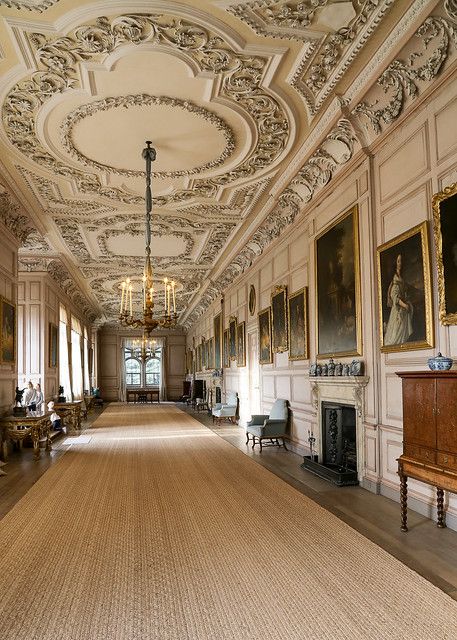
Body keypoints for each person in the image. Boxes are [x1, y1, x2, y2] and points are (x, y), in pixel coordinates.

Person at [384, 254, 413, 346]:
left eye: (401, 261)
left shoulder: (401, 278)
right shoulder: (395, 280)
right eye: (398, 261)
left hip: (403, 311)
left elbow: (403, 293)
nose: (400, 263)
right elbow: (395, 297)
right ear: (395, 263)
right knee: (395, 337)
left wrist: (407, 301)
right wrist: (404, 305)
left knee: (402, 339)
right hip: (397, 311)